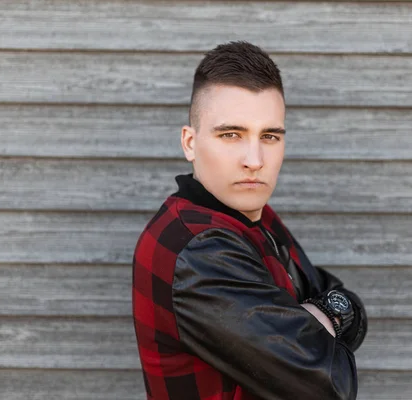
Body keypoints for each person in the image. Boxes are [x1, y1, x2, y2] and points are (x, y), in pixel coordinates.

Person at [132, 41, 367, 400]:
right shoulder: (199, 248)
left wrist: (324, 314)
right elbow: (330, 386)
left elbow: (341, 298)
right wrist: (320, 322)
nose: (254, 160)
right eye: (231, 135)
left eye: (269, 136)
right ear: (190, 143)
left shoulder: (256, 217)